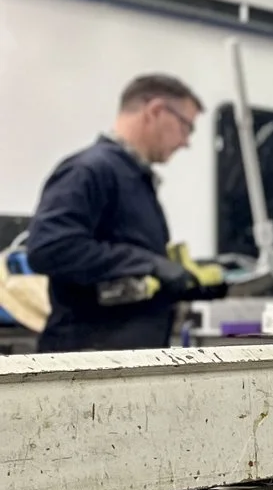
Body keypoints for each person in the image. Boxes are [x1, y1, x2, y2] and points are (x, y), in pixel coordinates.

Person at [26, 73, 225, 353]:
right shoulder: (91, 170)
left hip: (125, 358)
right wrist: (148, 264)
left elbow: (123, 266)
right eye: (186, 127)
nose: (186, 142)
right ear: (155, 111)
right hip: (86, 364)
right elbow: (49, 247)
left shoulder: (133, 178)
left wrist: (182, 279)